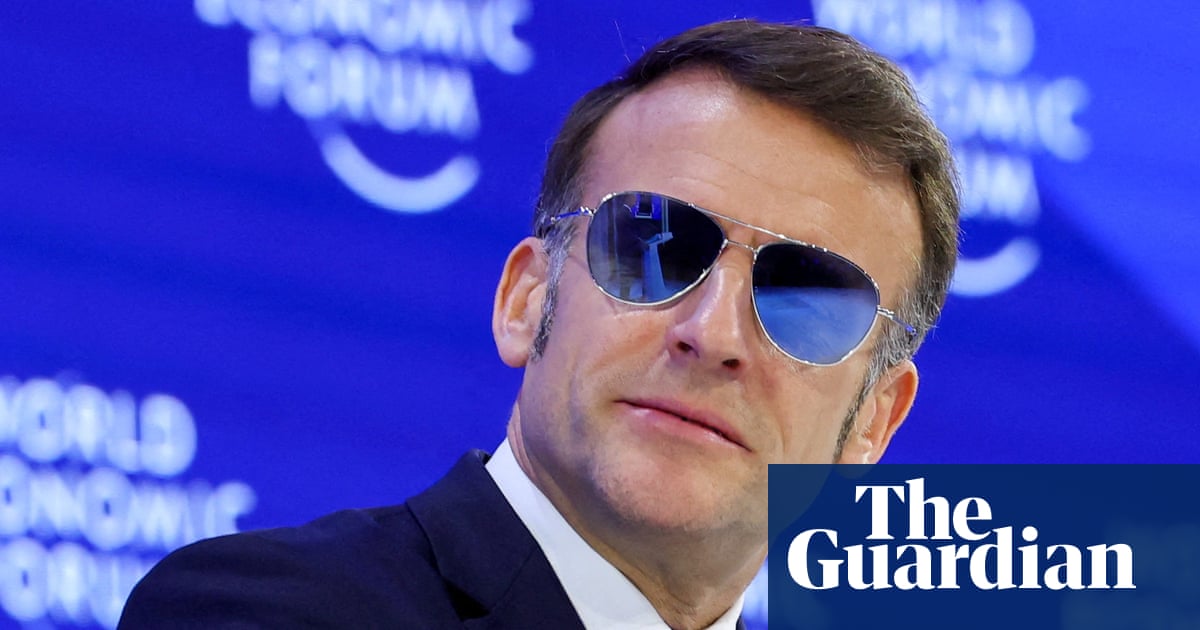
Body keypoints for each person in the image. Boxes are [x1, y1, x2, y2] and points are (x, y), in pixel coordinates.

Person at [119, 19, 959, 629]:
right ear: (527, 299)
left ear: (873, 422)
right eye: (655, 248)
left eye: (805, 301)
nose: (713, 335)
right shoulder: (270, 612)